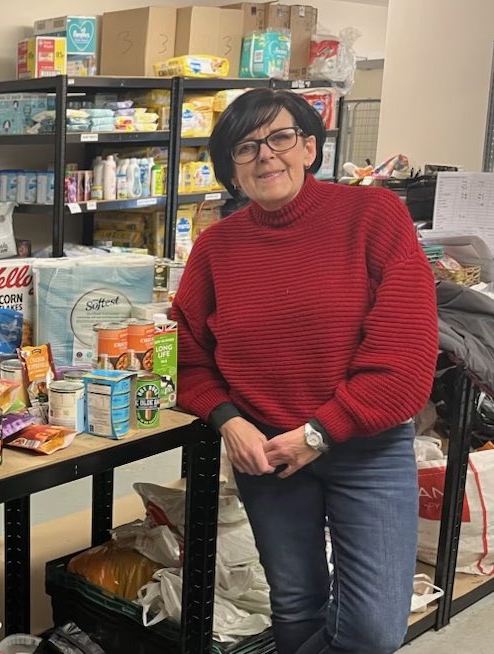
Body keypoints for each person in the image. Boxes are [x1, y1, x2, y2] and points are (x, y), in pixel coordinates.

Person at [171, 88, 438, 654]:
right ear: (231, 170)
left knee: (372, 630)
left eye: (280, 137)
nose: (265, 155)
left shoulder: (374, 216)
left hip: (365, 446)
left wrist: (319, 433)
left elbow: (405, 355)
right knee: (296, 606)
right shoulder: (216, 248)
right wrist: (227, 420)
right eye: (246, 147)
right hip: (267, 452)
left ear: (310, 148)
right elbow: (187, 356)